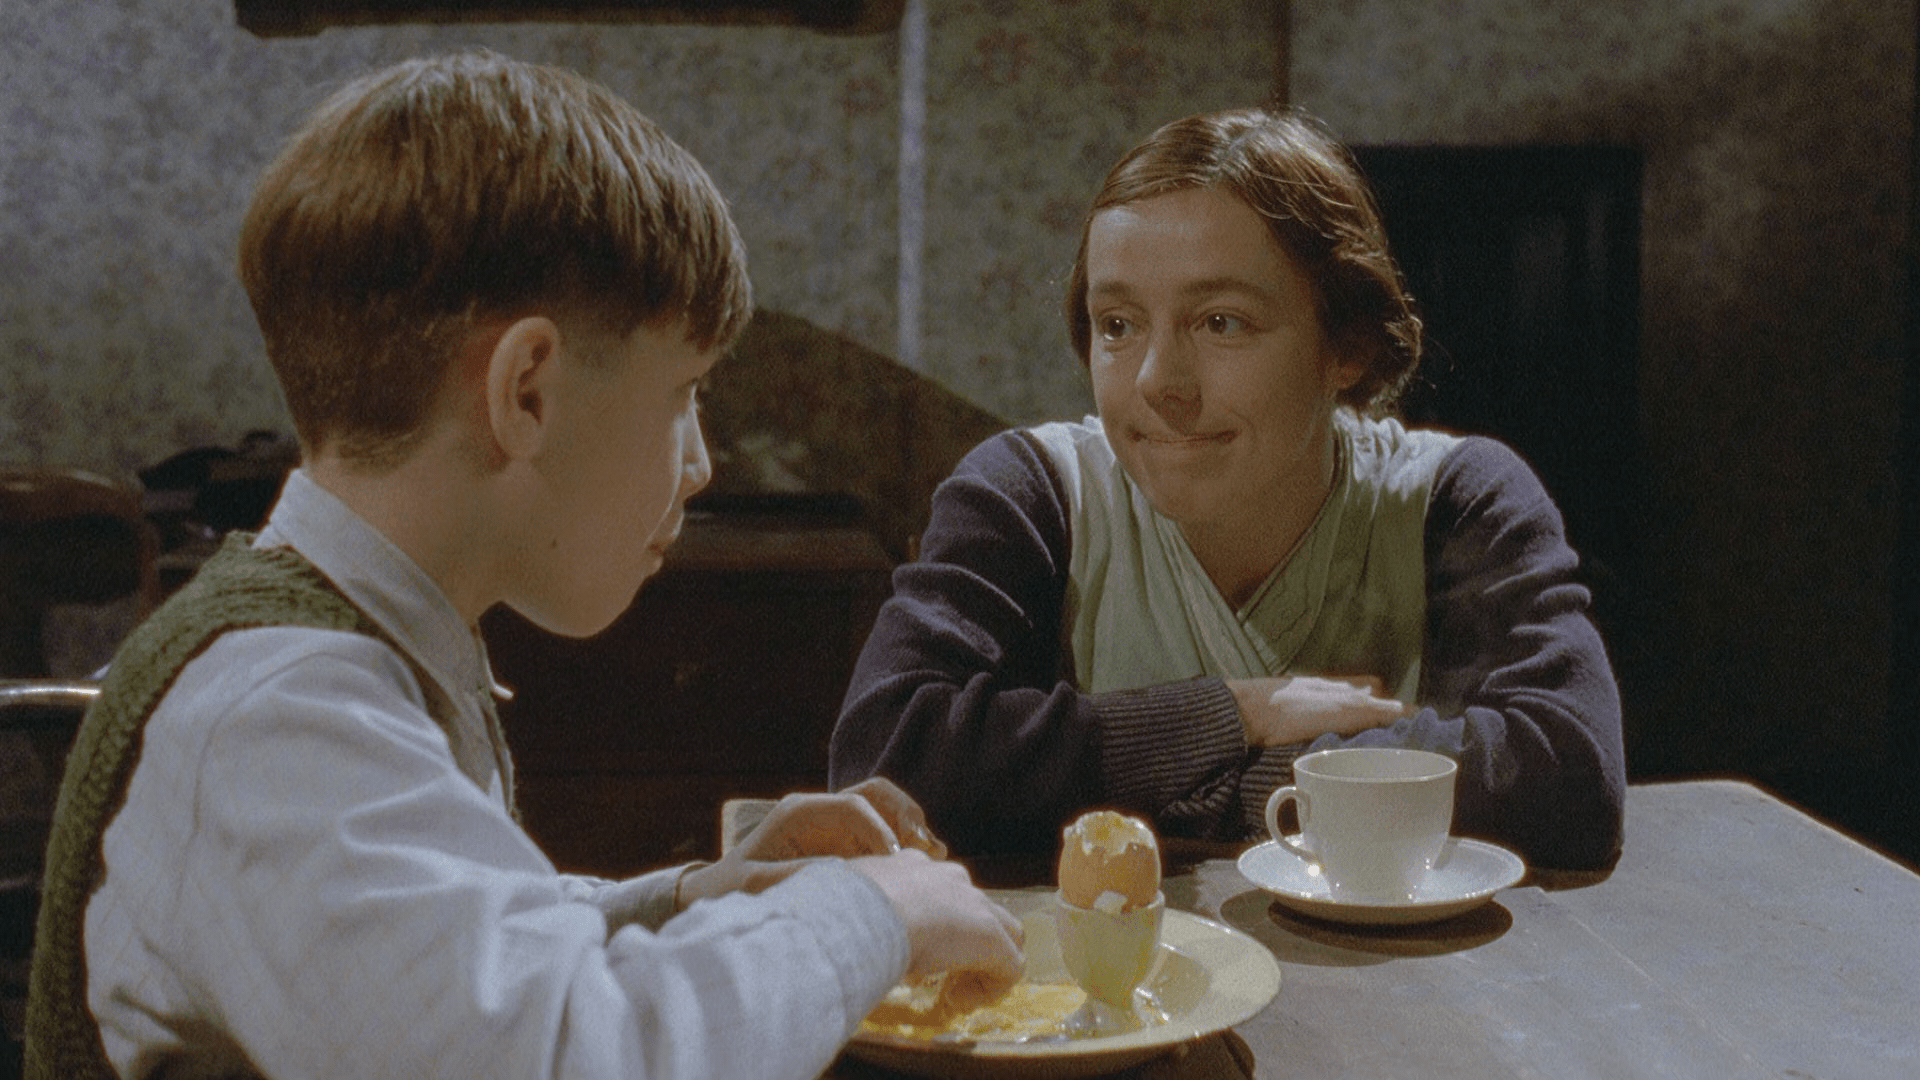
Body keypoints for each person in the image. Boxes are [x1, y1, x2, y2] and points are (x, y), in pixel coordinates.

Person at [26, 51, 1022, 1080]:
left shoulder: (341, 656)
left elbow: (450, 954)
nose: (700, 463)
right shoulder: (277, 716)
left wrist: (698, 897)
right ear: (526, 391)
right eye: (683, 393)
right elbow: (555, 1058)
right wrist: (868, 912)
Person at [829, 106, 1626, 871]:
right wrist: (1240, 714)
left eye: (1222, 323)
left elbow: (1568, 775)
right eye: (1118, 325)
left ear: (1345, 346)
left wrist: (1225, 783)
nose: (1157, 382)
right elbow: (883, 763)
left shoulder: (1453, 499)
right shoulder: (1032, 493)